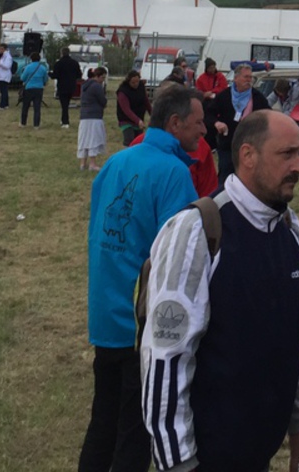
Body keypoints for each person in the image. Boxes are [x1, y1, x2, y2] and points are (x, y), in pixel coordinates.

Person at [142, 111, 299, 472]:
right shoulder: (198, 230)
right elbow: (165, 356)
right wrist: (179, 463)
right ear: (248, 156)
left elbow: (293, 336)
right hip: (205, 456)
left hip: (258, 449)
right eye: (286, 154)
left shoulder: (288, 227)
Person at [79, 84, 201, 472]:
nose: (204, 130)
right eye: (198, 123)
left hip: (106, 315)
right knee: (137, 432)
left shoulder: (116, 162)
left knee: (103, 420)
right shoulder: (174, 173)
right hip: (142, 326)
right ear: (175, 123)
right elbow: (178, 259)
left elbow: (97, 234)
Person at [205, 63, 270, 185]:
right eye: (246, 77)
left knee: (247, 179)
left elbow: (268, 116)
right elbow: (208, 114)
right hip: (227, 145)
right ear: (236, 78)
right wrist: (216, 123)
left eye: (250, 77)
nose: (249, 80)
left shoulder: (257, 97)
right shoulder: (224, 96)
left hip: (250, 146)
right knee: (225, 178)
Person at [77, 67, 109, 171]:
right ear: (97, 76)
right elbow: (103, 101)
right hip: (95, 116)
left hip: (84, 116)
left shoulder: (84, 85)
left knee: (84, 139)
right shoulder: (97, 86)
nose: (103, 80)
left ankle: (82, 163)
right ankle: (92, 164)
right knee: (93, 140)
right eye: (102, 77)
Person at [115, 70, 149, 146]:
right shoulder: (122, 92)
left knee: (139, 143)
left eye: (137, 81)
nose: (136, 84)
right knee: (130, 140)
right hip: (126, 120)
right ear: (128, 81)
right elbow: (126, 110)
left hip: (139, 118)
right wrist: (138, 120)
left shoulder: (141, 86)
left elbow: (146, 102)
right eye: (133, 82)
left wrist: (153, 115)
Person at [19, 51, 50, 129]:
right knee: (37, 107)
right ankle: (36, 125)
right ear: (39, 59)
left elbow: (23, 78)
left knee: (25, 106)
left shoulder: (28, 67)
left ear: (31, 59)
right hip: (39, 89)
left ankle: (23, 123)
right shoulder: (43, 68)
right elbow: (46, 79)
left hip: (29, 88)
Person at [0, 42, 14, 110]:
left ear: (5, 49)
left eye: (2, 49)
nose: (0, 50)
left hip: (4, 76)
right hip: (1, 75)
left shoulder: (8, 57)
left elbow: (7, 66)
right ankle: (6, 104)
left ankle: (2, 105)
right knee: (3, 91)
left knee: (4, 91)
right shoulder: (2, 56)